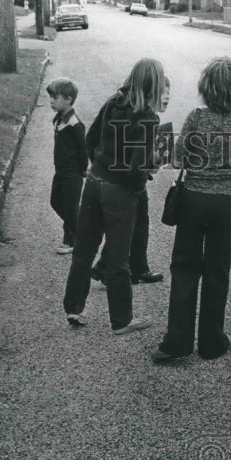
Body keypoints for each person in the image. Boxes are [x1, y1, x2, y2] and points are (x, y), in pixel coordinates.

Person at [151, 56, 231, 361]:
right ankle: (213, 342)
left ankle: (177, 342)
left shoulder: (195, 119)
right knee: (217, 272)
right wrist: (228, 172)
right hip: (223, 206)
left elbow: (177, 160)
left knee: (185, 268)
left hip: (192, 201)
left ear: (206, 88)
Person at [62, 58, 167, 335]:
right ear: (153, 84)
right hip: (119, 191)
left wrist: (100, 162)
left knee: (84, 250)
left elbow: (90, 138)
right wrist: (148, 171)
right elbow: (136, 168)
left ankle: (74, 307)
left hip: (95, 181)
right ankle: (122, 320)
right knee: (119, 257)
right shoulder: (148, 117)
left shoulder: (114, 101)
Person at [46, 77, 88, 255]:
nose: (51, 101)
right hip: (60, 171)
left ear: (68, 99)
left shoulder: (74, 124)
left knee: (70, 207)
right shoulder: (59, 120)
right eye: (51, 98)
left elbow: (82, 149)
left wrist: (84, 168)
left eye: (55, 98)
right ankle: (82, 230)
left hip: (73, 173)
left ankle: (71, 240)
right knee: (55, 202)